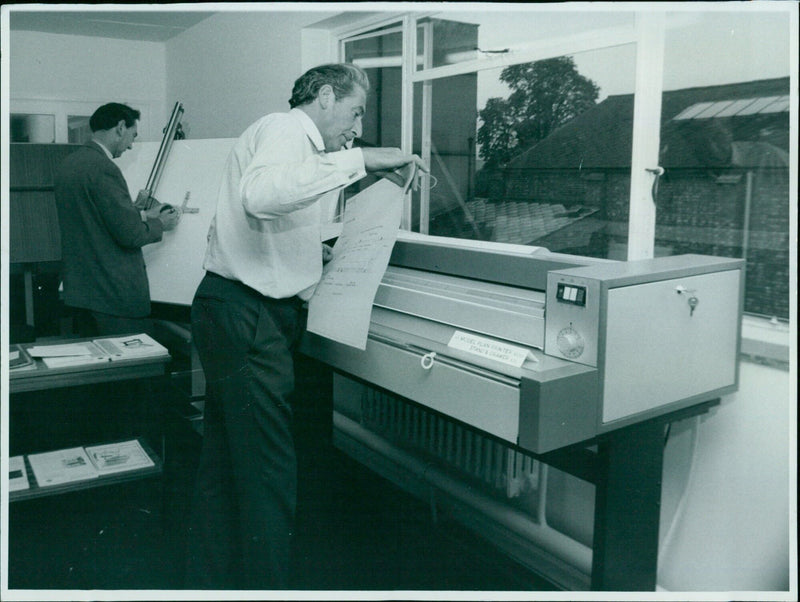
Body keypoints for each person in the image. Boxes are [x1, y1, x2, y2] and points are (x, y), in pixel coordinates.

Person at [185, 63, 427, 590]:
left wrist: (316, 250)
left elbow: (274, 218)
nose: (358, 127)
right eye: (356, 110)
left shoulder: (302, 149)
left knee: (226, 460)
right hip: (247, 316)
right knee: (268, 471)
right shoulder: (285, 128)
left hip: (233, 310)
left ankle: (211, 577)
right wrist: (361, 160)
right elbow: (261, 195)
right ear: (323, 96)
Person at [54, 102, 180, 337]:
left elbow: (94, 220)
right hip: (114, 297)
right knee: (131, 368)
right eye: (133, 135)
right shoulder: (104, 168)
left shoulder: (68, 165)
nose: (131, 145)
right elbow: (131, 235)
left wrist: (138, 213)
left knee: (100, 369)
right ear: (121, 127)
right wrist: (160, 223)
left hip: (82, 294)